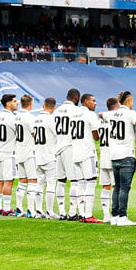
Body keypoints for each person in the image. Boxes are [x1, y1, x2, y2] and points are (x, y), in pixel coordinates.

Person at [101, 91, 136, 226]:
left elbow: (101, 114)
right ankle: (123, 217)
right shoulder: (131, 114)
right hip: (126, 155)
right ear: (129, 100)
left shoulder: (111, 114)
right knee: (124, 188)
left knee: (117, 187)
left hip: (113, 156)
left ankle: (115, 215)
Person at [54, 88, 82, 220]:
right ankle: (72, 212)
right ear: (76, 98)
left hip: (58, 147)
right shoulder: (76, 111)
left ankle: (61, 212)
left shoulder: (56, 111)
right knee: (74, 180)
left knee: (61, 180)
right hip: (70, 146)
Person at [72, 93, 100, 222]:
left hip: (75, 153)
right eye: (93, 101)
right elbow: (96, 136)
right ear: (85, 101)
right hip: (87, 153)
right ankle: (88, 215)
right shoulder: (90, 115)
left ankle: (82, 213)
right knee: (91, 182)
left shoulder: (73, 115)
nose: (95, 103)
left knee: (80, 184)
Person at [33, 97, 59, 219]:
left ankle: (39, 211)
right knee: (51, 184)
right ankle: (49, 211)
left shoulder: (36, 119)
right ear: (54, 107)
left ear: (43, 105)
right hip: (49, 155)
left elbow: (33, 134)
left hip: (38, 155)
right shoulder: (51, 120)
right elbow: (57, 136)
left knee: (39, 183)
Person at [14, 94, 38, 218]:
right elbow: (35, 134)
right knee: (33, 180)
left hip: (19, 152)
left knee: (22, 181)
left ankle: (19, 208)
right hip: (29, 152)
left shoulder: (16, 117)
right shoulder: (30, 117)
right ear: (31, 103)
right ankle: (31, 210)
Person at [0, 94, 18, 216]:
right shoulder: (12, 118)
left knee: (0, 181)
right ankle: (7, 209)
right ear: (8, 103)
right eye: (14, 101)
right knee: (9, 181)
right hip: (8, 152)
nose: (16, 103)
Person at [97, 97, 119, 223]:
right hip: (113, 156)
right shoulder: (114, 119)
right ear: (116, 107)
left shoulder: (101, 120)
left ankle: (106, 215)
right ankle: (115, 214)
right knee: (116, 186)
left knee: (106, 186)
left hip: (103, 156)